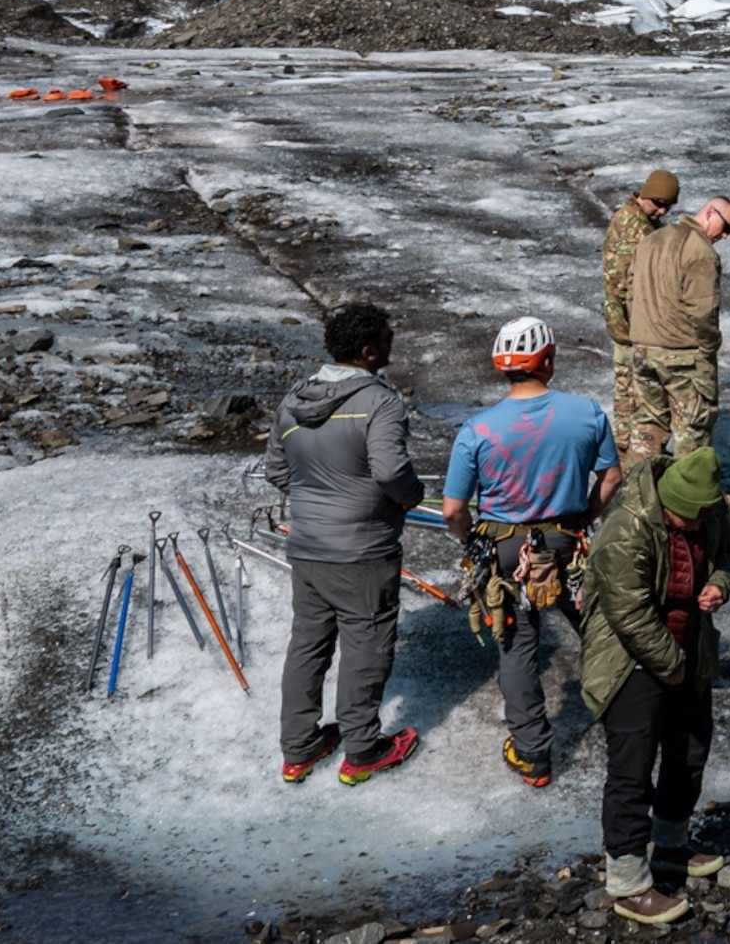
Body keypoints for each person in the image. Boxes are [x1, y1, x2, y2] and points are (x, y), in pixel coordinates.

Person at [441, 316, 623, 788]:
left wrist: (473, 541)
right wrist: (585, 517)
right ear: (547, 361)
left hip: (505, 550)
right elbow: (612, 479)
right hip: (567, 541)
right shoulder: (586, 413)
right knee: (599, 628)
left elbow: (453, 510)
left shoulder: (478, 429)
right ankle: (630, 716)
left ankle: (533, 755)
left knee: (518, 646)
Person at [264, 301, 425, 787]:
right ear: (368, 350)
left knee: (308, 645)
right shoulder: (380, 402)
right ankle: (363, 748)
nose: (393, 342)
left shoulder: (293, 398)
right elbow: (392, 471)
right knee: (365, 644)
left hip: (308, 548)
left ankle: (300, 747)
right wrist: (410, 499)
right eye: (387, 336)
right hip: (364, 551)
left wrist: (318, 499)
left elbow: (276, 470)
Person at [581, 447, 730, 927]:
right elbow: (627, 611)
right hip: (629, 660)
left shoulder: (708, 511)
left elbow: (729, 550)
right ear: (667, 507)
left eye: (700, 520)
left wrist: (718, 582)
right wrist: (668, 664)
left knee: (689, 748)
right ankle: (627, 880)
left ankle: (671, 845)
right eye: (685, 521)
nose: (694, 528)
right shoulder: (626, 529)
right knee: (631, 768)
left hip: (689, 648)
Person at [628, 196, 730, 461]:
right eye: (725, 228)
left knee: (646, 429)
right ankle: (688, 501)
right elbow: (703, 311)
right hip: (683, 356)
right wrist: (710, 346)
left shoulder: (651, 241)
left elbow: (631, 292)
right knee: (692, 433)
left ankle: (639, 497)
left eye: (729, 232)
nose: (724, 236)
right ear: (710, 212)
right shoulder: (700, 251)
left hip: (643, 351)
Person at [600, 171, 678, 463]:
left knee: (627, 387)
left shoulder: (636, 219)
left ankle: (625, 450)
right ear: (645, 193)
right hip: (632, 323)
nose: (662, 211)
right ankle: (630, 455)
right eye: (658, 203)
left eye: (667, 206)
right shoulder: (636, 227)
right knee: (635, 389)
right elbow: (623, 280)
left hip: (625, 320)